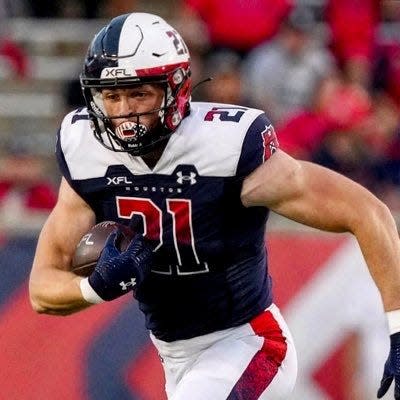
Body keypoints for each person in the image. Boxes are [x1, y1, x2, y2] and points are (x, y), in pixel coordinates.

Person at [28, 13, 400, 400]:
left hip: (250, 343)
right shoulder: (85, 149)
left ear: (175, 90)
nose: (124, 112)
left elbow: (366, 211)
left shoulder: (225, 147)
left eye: (139, 94)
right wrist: (94, 287)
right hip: (174, 355)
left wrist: (399, 326)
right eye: (112, 95)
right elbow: (42, 288)